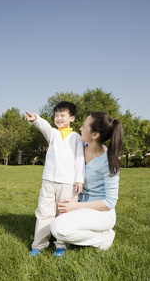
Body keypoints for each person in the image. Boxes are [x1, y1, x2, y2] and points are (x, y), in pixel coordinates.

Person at [50, 112, 123, 254]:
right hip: (80, 206)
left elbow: (110, 202)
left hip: (102, 213)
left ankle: (103, 237)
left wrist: (76, 206)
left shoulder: (109, 162)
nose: (80, 128)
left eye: (84, 126)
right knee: (51, 220)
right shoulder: (78, 147)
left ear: (95, 135)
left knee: (57, 228)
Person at [25, 101, 85, 257]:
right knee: (44, 213)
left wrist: (80, 180)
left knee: (64, 214)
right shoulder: (53, 134)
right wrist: (36, 119)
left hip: (69, 184)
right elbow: (44, 126)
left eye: (62, 115)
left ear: (71, 118)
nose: (58, 118)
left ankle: (61, 245)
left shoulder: (77, 138)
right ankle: (38, 246)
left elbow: (80, 160)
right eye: (56, 115)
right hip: (49, 182)